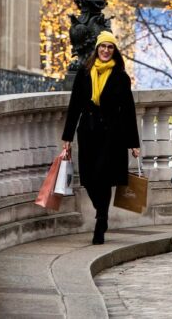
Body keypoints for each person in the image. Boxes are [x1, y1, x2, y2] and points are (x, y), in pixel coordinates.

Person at [61, 31, 141, 245]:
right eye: (103, 47)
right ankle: (102, 212)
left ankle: (101, 221)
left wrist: (133, 143)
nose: (106, 50)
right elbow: (74, 106)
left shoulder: (121, 76)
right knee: (88, 179)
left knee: (103, 178)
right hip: (87, 132)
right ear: (97, 49)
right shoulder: (84, 73)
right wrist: (67, 136)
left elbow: (128, 110)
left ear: (114, 51)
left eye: (110, 47)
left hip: (112, 134)